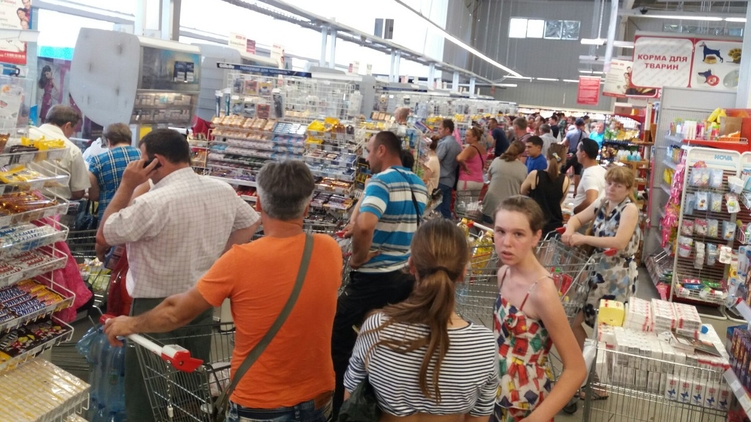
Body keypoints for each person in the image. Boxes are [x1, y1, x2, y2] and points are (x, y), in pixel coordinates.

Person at [104, 160, 341, 422]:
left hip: (260, 403)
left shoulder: (240, 260)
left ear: (258, 204)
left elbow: (176, 313)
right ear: (306, 207)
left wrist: (130, 323)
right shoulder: (329, 248)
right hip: (318, 396)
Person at [95, 129, 261, 422]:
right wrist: (220, 261)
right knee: (192, 380)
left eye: (143, 159)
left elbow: (105, 235)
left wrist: (127, 185)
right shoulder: (221, 189)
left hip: (153, 305)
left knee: (146, 388)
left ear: (156, 161)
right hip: (200, 298)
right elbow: (250, 221)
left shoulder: (153, 202)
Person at [344, 218, 497, 420]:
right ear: (463, 273)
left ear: (411, 265)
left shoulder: (377, 328)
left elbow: (351, 398)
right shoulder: (485, 345)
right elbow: (479, 417)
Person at [332, 131, 428, 417]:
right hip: (404, 278)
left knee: (337, 336)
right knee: (388, 341)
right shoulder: (418, 183)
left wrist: (358, 257)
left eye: (370, 150)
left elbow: (366, 225)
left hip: (373, 279)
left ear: (382, 151)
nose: (367, 156)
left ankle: (343, 407)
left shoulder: (381, 181)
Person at [493, 196, 586, 421]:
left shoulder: (542, 291)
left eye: (518, 234)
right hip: (495, 395)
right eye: (500, 231)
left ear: (536, 237)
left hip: (526, 403)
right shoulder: (503, 273)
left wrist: (536, 418)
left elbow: (576, 368)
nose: (506, 242)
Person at [562, 166, 641, 350]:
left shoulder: (629, 209)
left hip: (617, 275)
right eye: (609, 183)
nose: (611, 188)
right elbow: (577, 219)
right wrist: (569, 230)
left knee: (607, 327)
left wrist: (584, 239)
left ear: (628, 189)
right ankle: (585, 359)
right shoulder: (603, 202)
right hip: (596, 270)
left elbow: (619, 242)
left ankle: (599, 360)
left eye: (618, 185)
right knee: (573, 318)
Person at [29, 105, 89, 200]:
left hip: (18, 201)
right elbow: (78, 193)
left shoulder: (25, 134)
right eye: (73, 130)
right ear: (67, 125)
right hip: (55, 204)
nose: (71, 134)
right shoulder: (72, 149)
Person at [87, 123, 142, 222]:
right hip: (138, 214)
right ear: (130, 140)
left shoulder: (97, 161)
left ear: (108, 141)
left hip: (109, 217)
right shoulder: (143, 156)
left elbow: (94, 195)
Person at [521, 144, 570, 236]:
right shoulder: (566, 180)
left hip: (534, 222)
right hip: (553, 226)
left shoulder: (535, 175)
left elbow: (522, 193)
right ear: (563, 160)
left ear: (547, 156)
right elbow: (559, 202)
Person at [481, 141, 527, 224]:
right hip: (509, 207)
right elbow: (523, 189)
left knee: (486, 229)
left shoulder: (496, 160)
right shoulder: (523, 168)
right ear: (520, 154)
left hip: (490, 204)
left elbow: (489, 177)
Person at [436, 119, 462, 219]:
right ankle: (447, 226)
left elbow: (437, 161)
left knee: (436, 209)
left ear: (447, 129)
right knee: (446, 209)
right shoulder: (457, 145)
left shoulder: (444, 144)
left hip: (441, 180)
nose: (438, 131)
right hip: (450, 180)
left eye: (440, 129)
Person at [572, 138, 606, 214]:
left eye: (578, 150)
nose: (576, 153)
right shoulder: (602, 170)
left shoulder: (589, 174)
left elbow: (591, 200)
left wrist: (575, 211)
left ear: (583, 154)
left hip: (583, 219)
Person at [456, 127, 486, 206]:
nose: (465, 137)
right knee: (472, 207)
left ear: (475, 137)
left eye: (468, 135)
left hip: (467, 180)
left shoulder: (470, 149)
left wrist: (464, 166)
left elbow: (459, 158)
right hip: (479, 181)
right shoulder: (483, 149)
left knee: (463, 207)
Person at [562, 118, 587, 195]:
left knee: (563, 170)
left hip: (571, 154)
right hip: (579, 155)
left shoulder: (570, 133)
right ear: (582, 125)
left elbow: (565, 144)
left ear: (575, 124)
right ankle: (576, 191)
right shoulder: (585, 134)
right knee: (577, 173)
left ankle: (563, 187)